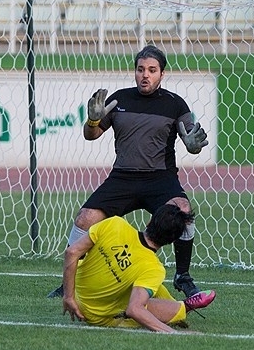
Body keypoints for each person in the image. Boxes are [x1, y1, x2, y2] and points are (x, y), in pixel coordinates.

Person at [48, 45, 209, 299]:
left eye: (152, 70)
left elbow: (192, 140)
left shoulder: (176, 104)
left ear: (162, 74)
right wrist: (92, 120)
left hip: (160, 179)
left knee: (184, 211)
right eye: (140, 69)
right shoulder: (119, 99)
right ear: (135, 71)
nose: (145, 75)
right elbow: (91, 136)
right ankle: (71, 279)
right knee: (85, 218)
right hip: (122, 178)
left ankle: (183, 276)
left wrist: (193, 145)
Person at [62, 203, 216, 333]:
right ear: (171, 241)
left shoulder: (115, 223)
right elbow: (134, 310)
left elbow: (71, 252)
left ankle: (174, 306)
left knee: (151, 284)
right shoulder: (153, 268)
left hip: (76, 293)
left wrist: (68, 297)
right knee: (146, 297)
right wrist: (172, 332)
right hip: (94, 315)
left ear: (150, 221)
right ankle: (184, 307)